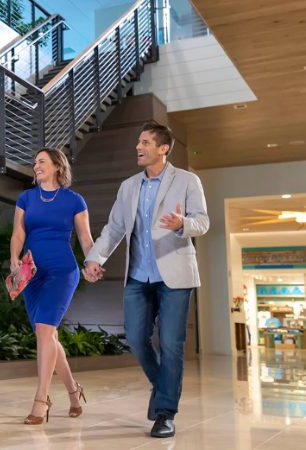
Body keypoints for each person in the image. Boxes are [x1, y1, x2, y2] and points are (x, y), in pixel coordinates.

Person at [83, 121, 209, 438]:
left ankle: (165, 412)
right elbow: (113, 228)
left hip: (175, 276)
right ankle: (163, 385)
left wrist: (183, 223)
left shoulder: (187, 180)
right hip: (138, 275)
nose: (139, 147)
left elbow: (203, 222)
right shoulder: (128, 186)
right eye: (138, 142)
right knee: (137, 339)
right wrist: (95, 258)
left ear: (163, 148)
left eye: (146, 142)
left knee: (171, 345)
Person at [11, 148, 95, 425]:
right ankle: (73, 391)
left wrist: (92, 262)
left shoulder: (74, 200)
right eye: (34, 162)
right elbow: (19, 232)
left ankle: (41, 400)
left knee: (45, 331)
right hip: (31, 273)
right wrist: (13, 259)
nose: (35, 166)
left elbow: (85, 238)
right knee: (47, 335)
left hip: (62, 272)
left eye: (41, 162)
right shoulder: (26, 198)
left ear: (58, 166)